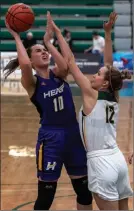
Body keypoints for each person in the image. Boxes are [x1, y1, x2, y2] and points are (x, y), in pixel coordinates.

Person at [3, 13, 93, 210]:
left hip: (73, 135)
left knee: (85, 192)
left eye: (45, 51)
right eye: (38, 51)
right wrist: (17, 36)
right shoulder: (32, 83)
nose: (43, 52)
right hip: (51, 138)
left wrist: (49, 42)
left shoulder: (58, 75)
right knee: (46, 197)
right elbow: (25, 64)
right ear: (31, 58)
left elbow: (67, 63)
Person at [49, 12, 133, 210]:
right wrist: (108, 33)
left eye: (97, 74)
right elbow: (109, 66)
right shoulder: (114, 95)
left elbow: (70, 62)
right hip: (118, 160)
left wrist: (59, 34)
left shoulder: (90, 94)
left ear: (104, 83)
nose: (93, 76)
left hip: (101, 163)